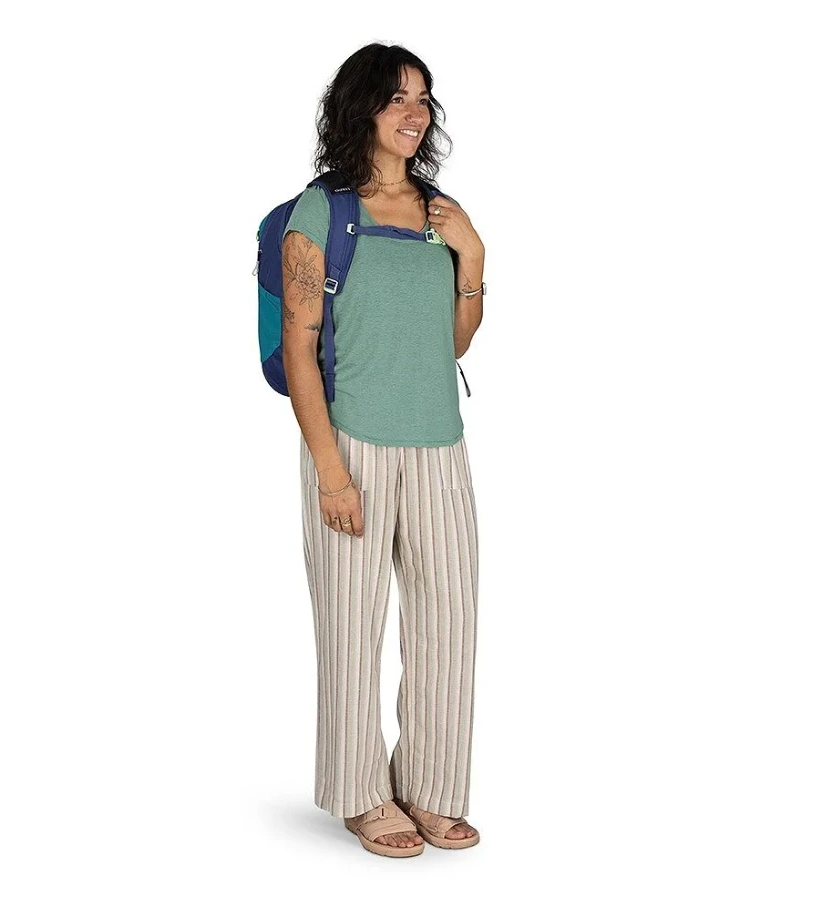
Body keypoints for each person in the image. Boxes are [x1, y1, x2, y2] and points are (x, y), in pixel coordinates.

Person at [281, 42, 485, 858]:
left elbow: (453, 341)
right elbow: (301, 351)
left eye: (423, 99)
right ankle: (361, 793)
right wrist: (330, 472)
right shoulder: (322, 211)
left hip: (440, 446)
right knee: (351, 627)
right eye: (397, 97)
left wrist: (472, 253)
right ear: (361, 107)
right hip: (353, 443)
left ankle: (431, 788)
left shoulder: (440, 212)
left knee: (449, 623)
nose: (414, 113)